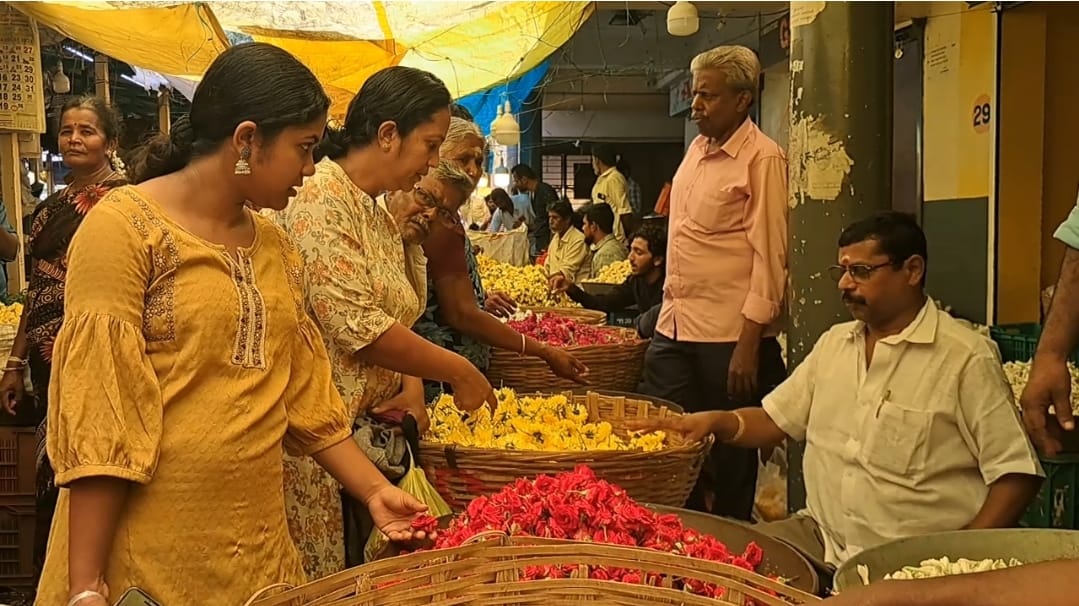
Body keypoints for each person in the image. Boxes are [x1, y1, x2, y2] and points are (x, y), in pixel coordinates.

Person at [34, 44, 434, 606]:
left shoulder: (275, 246)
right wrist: (84, 587)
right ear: (247, 140)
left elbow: (304, 395)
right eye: (304, 148)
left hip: (257, 557)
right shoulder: (123, 228)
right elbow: (102, 410)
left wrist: (373, 492)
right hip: (144, 561)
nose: (310, 168)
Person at [633, 211, 1044, 581]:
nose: (845, 284)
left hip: (909, 563)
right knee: (704, 563)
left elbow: (1016, 474)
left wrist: (960, 564)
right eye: (842, 270)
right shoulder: (835, 345)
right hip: (820, 539)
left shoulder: (963, 358)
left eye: (862, 271)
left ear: (913, 270)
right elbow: (775, 420)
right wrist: (716, 422)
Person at [272, 66, 494, 578]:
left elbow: (399, 316)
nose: (434, 162)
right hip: (316, 442)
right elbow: (356, 324)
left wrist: (412, 382)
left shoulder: (372, 210)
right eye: (430, 145)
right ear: (388, 135)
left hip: (361, 437)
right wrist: (458, 369)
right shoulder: (321, 198)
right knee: (319, 576)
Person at [637, 45, 789, 521]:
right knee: (665, 440)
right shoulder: (697, 153)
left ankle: (726, 548)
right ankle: (672, 532)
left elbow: (771, 256)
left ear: (743, 100)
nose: (697, 104)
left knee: (728, 458)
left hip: (727, 338)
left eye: (709, 96)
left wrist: (750, 341)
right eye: (695, 93)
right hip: (676, 328)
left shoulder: (762, 159)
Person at [0, 95, 127, 585]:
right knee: (53, 465)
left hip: (98, 352)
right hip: (48, 357)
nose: (74, 139)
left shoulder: (126, 203)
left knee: (92, 461)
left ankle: (97, 577)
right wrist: (15, 361)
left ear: (110, 142)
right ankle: (57, 581)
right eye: (68, 130)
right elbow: (37, 289)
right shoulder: (51, 207)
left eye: (87, 131)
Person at [414, 118, 588, 403]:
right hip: (446, 376)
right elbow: (461, 314)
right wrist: (542, 350)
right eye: (463, 159)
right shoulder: (439, 222)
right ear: (435, 157)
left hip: (447, 370)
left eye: (479, 160)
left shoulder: (447, 217)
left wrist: (480, 298)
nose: (472, 170)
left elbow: (451, 295)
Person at [553, 224, 665, 319]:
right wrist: (572, 289)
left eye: (639, 252)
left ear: (658, 260)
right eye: (631, 250)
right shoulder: (635, 281)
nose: (630, 257)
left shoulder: (668, 287)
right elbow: (604, 303)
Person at [511, 163, 557, 256]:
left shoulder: (544, 191)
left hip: (548, 241)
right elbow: (540, 220)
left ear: (524, 179)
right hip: (540, 240)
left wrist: (553, 243)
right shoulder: (532, 194)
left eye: (516, 181)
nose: (515, 185)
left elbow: (555, 217)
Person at [589, 144, 632, 244]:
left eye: (592, 160)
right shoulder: (601, 180)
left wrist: (629, 237)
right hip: (601, 238)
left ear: (597, 160)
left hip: (615, 239)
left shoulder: (615, 178)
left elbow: (624, 211)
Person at [544, 200, 589, 286]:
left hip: (574, 293)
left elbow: (566, 272)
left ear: (567, 220)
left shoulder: (578, 240)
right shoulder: (556, 238)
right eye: (549, 217)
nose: (550, 221)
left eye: (555, 217)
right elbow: (548, 266)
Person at [580, 203, 627, 278]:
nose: (583, 228)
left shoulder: (606, 254)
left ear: (593, 226)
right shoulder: (610, 248)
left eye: (585, 224)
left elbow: (604, 288)